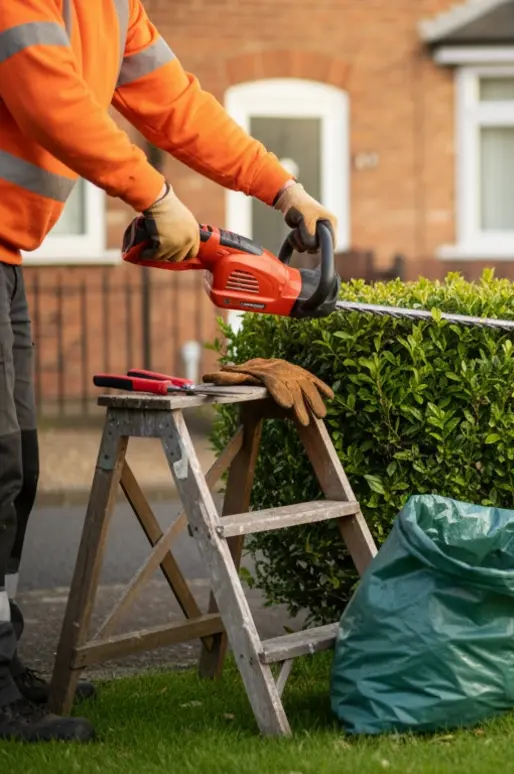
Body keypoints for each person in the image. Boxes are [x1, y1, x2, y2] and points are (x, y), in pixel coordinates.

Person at [0, 0, 338, 743]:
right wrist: (151, 192)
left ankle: (2, 660)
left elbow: (176, 103)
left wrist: (282, 189)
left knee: (15, 464)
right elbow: (44, 91)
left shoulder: (113, 6)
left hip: (6, 254)